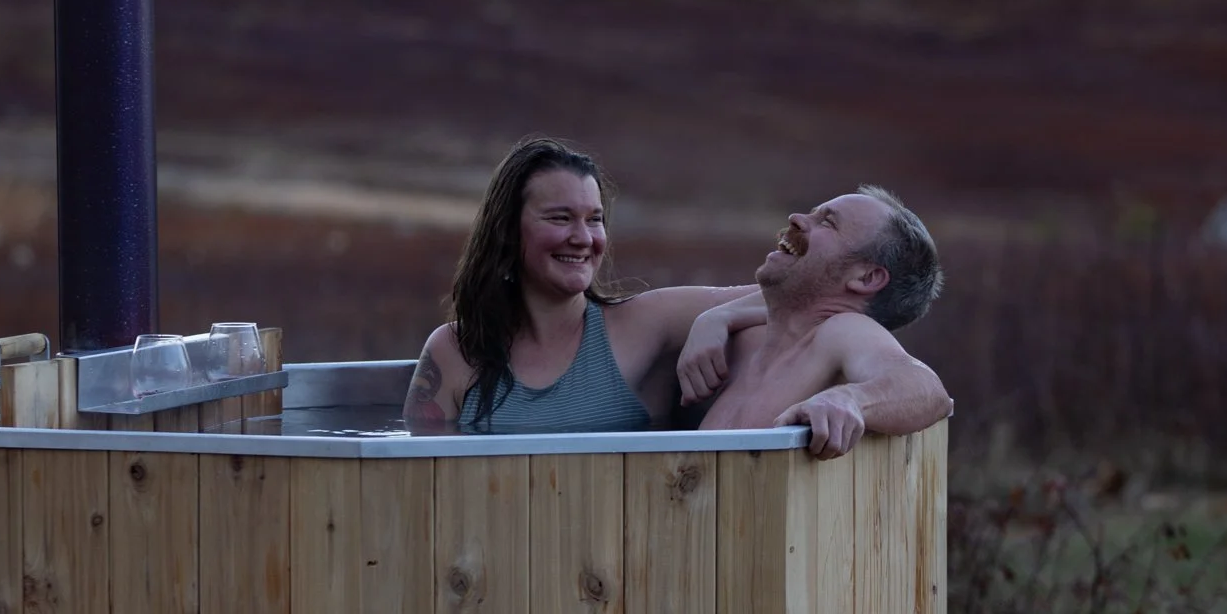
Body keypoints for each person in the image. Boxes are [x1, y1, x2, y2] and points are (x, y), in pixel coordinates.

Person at [404, 137, 764, 432]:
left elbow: (792, 295)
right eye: (560, 218)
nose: (583, 238)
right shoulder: (453, 352)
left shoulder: (644, 324)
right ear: (507, 231)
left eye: (594, 220)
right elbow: (421, 483)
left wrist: (719, 318)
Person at [677, 187, 952, 457]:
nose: (796, 218)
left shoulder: (842, 331)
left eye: (828, 222)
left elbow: (927, 390)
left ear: (866, 278)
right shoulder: (748, 343)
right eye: (812, 213)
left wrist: (852, 400)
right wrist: (716, 316)